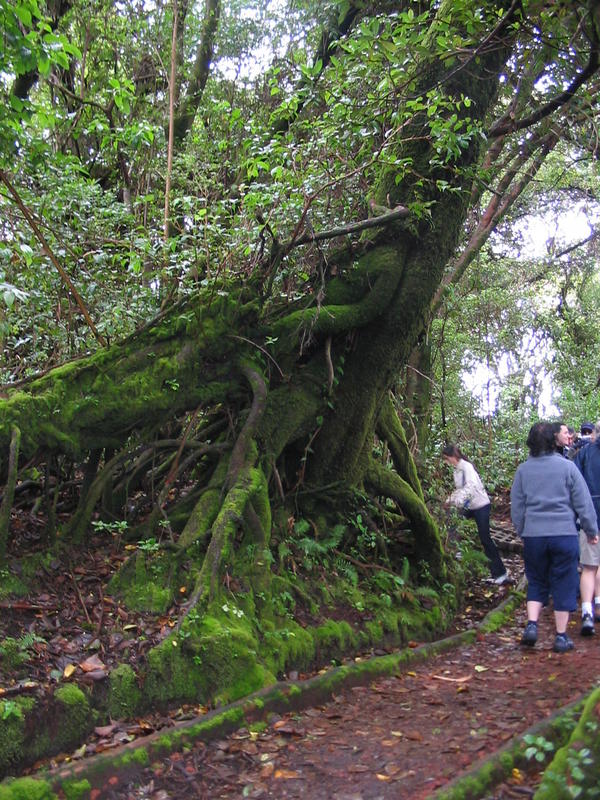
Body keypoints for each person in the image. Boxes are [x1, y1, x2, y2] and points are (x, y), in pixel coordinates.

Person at [511, 422, 599, 653]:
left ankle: (532, 625)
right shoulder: (567, 467)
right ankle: (560, 637)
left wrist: (522, 531)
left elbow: (517, 507)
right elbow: (583, 502)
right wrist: (591, 530)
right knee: (564, 581)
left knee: (537, 579)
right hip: (564, 534)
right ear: (553, 441)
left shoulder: (523, 470)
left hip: (534, 535)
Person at [442, 444, 508, 585]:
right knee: (453, 522)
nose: (446, 462)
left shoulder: (466, 467)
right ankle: (455, 550)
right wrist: (450, 500)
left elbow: (471, 487)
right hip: (468, 506)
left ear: (453, 456)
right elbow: (459, 489)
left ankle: (500, 573)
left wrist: (459, 501)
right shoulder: (457, 471)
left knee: (485, 538)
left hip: (481, 505)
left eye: (447, 459)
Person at [573, 420, 600, 635]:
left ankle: (589, 611)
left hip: (590, 517)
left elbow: (576, 488)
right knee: (593, 567)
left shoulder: (584, 454)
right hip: (591, 516)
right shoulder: (584, 454)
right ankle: (593, 607)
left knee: (590, 567)